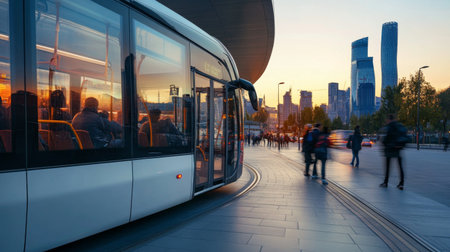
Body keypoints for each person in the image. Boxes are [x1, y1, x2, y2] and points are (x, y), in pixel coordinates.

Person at [380, 114, 406, 190]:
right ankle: (401, 184)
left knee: (388, 167)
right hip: (398, 149)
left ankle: (386, 182)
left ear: (389, 119)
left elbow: (385, 139)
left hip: (390, 149)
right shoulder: (399, 126)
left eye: (387, 120)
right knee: (400, 167)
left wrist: (384, 145)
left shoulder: (388, 127)